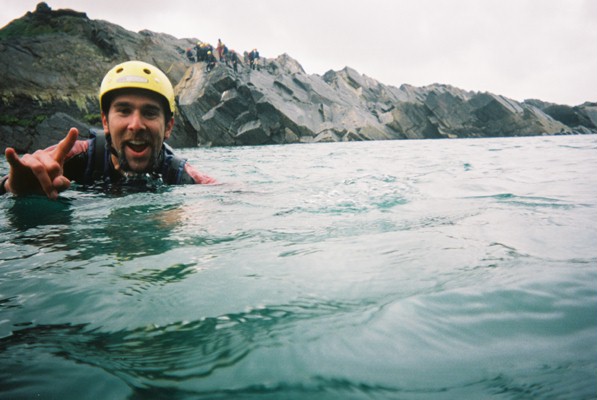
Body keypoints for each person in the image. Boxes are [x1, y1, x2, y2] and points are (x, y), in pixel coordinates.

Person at [1, 60, 216, 199]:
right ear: (105, 121)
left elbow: (226, 191)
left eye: (150, 113)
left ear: (168, 126)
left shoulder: (180, 174)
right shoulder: (75, 156)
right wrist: (11, 187)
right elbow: (23, 175)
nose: (136, 125)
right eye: (124, 111)